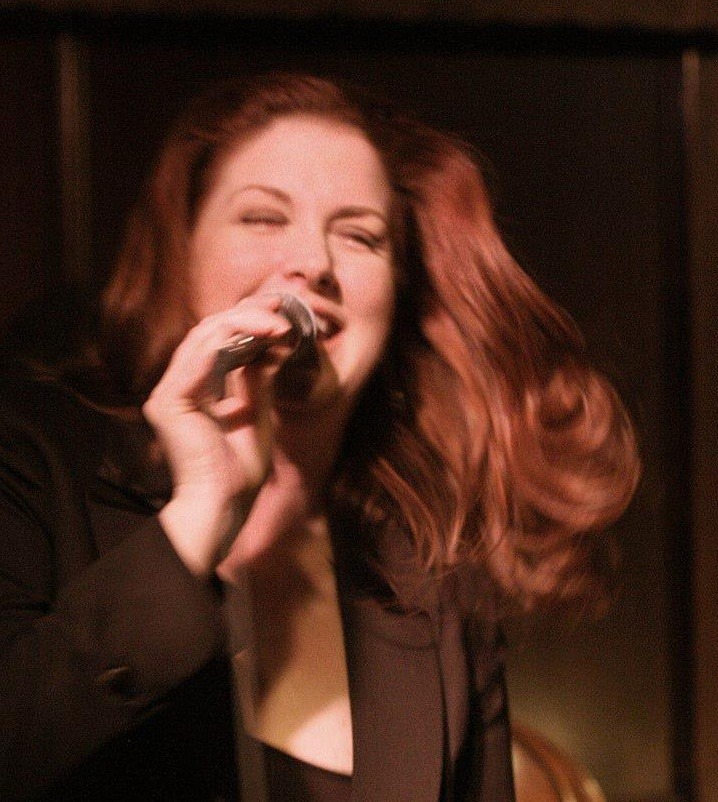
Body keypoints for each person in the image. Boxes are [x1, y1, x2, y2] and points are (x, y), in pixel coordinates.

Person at [0, 73, 640, 801]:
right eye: (263, 218)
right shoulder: (35, 467)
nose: (313, 262)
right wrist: (196, 517)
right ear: (183, 252)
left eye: (359, 235)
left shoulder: (432, 581)